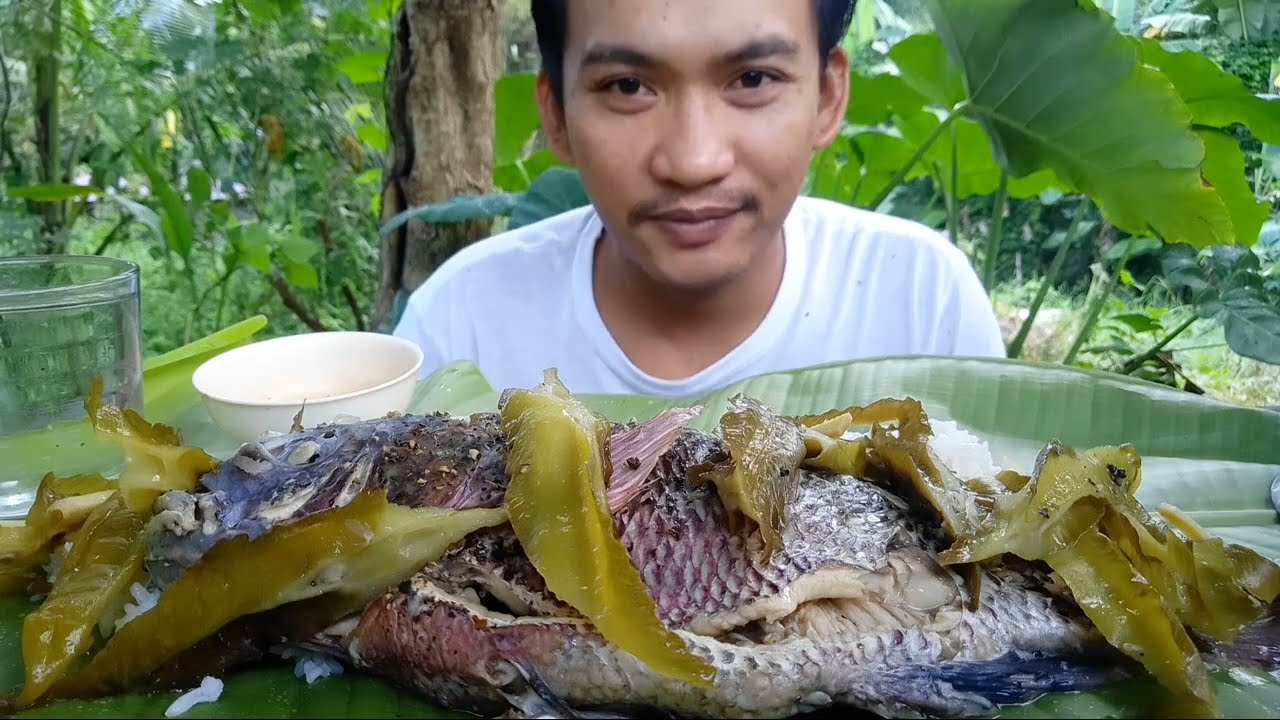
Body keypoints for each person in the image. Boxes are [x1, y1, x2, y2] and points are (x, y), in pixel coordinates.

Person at [393, 0, 1007, 398]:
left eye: (752, 79)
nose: (693, 161)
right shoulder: (463, 323)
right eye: (628, 86)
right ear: (555, 115)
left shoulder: (924, 303)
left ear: (826, 98)